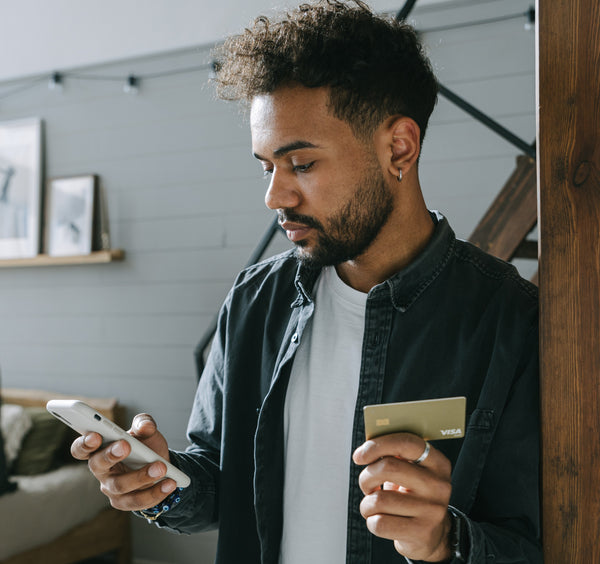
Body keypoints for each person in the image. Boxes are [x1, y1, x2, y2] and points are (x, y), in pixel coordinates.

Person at [71, 1, 541, 562]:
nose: (275, 198)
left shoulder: (511, 319)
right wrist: (161, 483)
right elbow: (222, 487)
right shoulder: (254, 301)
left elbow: (538, 541)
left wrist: (444, 542)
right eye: (267, 165)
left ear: (399, 147)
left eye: (302, 164)